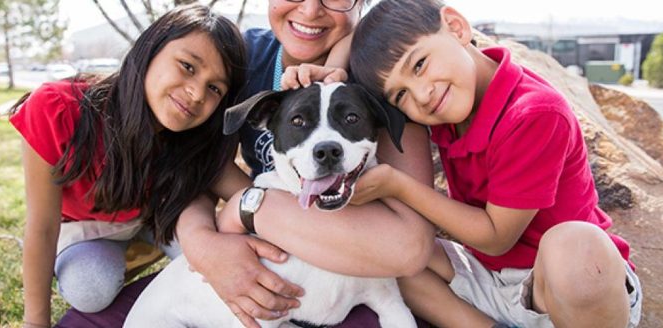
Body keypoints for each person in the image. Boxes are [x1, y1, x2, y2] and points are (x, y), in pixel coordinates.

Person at [59, 1, 435, 327]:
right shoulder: (239, 61)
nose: (310, 9)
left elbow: (409, 248)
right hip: (260, 245)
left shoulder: (380, 72)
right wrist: (203, 244)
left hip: (344, 248)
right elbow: (190, 164)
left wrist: (248, 205)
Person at [346, 1, 643, 327]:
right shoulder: (449, 104)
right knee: (388, 252)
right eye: (400, 96)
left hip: (558, 289)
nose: (421, 95)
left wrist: (398, 186)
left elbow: (496, 236)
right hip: (489, 279)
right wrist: (331, 71)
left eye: (418, 65)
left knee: (577, 248)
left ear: (457, 28)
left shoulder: (534, 112)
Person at [9, 4, 263, 327]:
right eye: (187, 66)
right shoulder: (58, 109)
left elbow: (250, 195)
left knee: (214, 266)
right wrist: (36, 322)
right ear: (151, 47)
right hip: (88, 230)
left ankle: (155, 256)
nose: (197, 92)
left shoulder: (196, 139)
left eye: (215, 88)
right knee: (90, 287)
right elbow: (42, 228)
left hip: (158, 219)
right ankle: (129, 257)